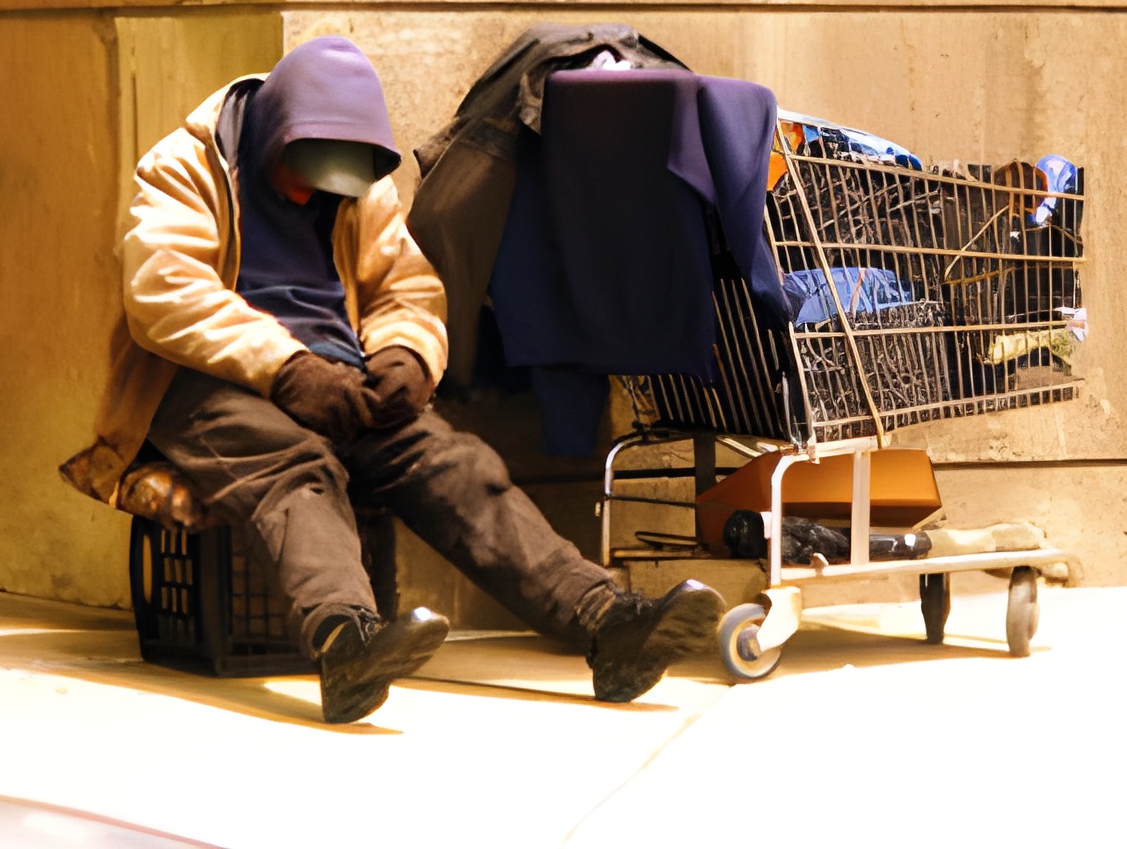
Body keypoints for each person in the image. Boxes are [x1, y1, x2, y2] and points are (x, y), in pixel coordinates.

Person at [60, 36, 726, 724]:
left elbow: (403, 287)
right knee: (295, 464)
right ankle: (345, 641)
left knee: (456, 464)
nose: (310, 194)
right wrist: (288, 368)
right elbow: (165, 292)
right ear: (274, 137)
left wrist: (405, 355)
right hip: (205, 382)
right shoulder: (185, 165)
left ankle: (607, 622)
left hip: (337, 380)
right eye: (300, 176)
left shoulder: (355, 179)